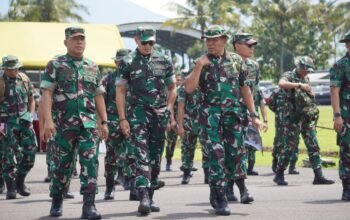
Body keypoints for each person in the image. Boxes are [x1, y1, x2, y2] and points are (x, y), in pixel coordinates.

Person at [184, 26, 261, 216]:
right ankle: (220, 197)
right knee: (215, 156)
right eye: (208, 40)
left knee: (234, 156)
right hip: (210, 117)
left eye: (215, 40)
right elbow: (188, 88)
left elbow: (245, 88)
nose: (210, 43)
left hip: (233, 117)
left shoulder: (236, 61)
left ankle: (220, 189)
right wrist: (199, 66)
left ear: (224, 40)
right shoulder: (201, 61)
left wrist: (254, 115)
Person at [40, 27, 108, 219]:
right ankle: (56, 200)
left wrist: (104, 122)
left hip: (88, 125)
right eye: (75, 39)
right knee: (62, 164)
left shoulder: (92, 66)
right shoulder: (55, 64)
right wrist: (48, 121)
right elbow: (47, 93)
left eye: (82, 39)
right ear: (66, 42)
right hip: (63, 124)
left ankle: (89, 205)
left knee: (90, 163)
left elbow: (98, 96)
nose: (79, 42)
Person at [116, 26, 176, 216]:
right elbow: (120, 91)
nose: (148, 45)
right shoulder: (127, 62)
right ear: (136, 40)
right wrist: (123, 118)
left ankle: (150, 195)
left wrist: (168, 108)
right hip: (137, 116)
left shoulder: (164, 60)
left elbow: (173, 87)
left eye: (151, 42)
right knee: (141, 155)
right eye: (145, 42)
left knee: (155, 157)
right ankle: (143, 197)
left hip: (159, 116)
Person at [273, 56, 334, 186]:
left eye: (309, 70)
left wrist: (310, 94)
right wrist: (300, 85)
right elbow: (281, 83)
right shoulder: (289, 75)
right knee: (289, 147)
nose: (307, 72)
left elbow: (307, 92)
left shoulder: (306, 78)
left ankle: (318, 175)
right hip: (291, 119)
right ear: (300, 67)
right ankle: (279, 173)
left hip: (306, 117)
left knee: (313, 144)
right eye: (306, 69)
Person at [0, 55, 38, 200]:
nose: (14, 71)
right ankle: (11, 188)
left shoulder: (24, 79)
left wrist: (30, 114)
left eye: (16, 68)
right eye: (11, 69)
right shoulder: (1, 82)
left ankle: (20, 181)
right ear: (5, 68)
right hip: (5, 123)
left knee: (30, 152)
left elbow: (31, 99)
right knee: (7, 156)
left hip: (24, 121)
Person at [232, 33, 268, 177]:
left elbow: (256, 91)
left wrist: (260, 116)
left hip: (249, 112)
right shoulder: (228, 64)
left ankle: (243, 175)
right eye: (248, 45)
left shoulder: (254, 66)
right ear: (237, 46)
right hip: (232, 112)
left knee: (248, 144)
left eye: (253, 45)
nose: (252, 48)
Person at [101, 48, 131, 200]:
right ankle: (109, 187)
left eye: (126, 60)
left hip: (132, 122)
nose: (123, 63)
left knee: (132, 154)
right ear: (115, 62)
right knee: (112, 156)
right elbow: (100, 102)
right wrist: (103, 123)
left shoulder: (135, 77)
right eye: (121, 61)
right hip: (113, 122)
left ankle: (132, 184)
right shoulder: (108, 80)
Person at [177, 69, 209, 185]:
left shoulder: (204, 87)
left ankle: (207, 175)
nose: (185, 79)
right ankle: (186, 174)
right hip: (188, 124)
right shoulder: (182, 90)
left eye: (186, 77)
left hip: (204, 123)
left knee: (206, 149)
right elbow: (180, 108)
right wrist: (180, 126)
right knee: (187, 149)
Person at [330, 30, 350, 201]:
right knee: (347, 152)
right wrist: (337, 115)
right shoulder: (341, 65)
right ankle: (347, 187)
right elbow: (334, 91)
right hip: (346, 115)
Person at [164, 73, 181, 172]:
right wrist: (171, 121)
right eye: (177, 80)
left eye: (180, 80)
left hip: (182, 120)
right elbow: (169, 108)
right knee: (171, 142)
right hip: (172, 120)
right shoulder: (170, 93)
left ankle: (186, 165)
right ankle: (168, 162)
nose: (178, 82)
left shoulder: (183, 91)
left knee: (185, 144)